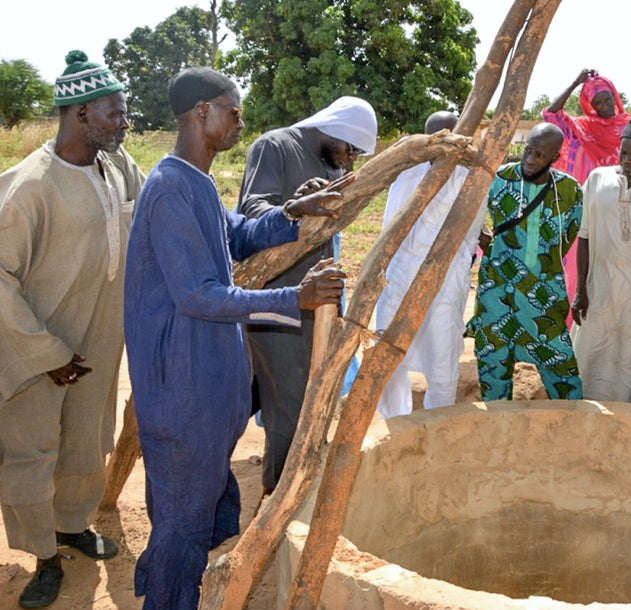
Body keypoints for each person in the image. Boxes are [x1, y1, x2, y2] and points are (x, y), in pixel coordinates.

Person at [124, 67, 348, 609]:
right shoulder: (170, 188)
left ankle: (167, 582)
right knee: (182, 523)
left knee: (190, 514)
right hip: (182, 392)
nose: (239, 121)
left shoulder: (196, 181)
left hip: (205, 389)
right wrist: (294, 298)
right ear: (202, 111)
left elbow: (241, 236)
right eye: (233, 109)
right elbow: (200, 295)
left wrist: (293, 211)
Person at [0, 50, 143, 609]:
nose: (125, 121)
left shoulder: (116, 166)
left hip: (99, 343)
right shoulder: (28, 185)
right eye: (116, 112)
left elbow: (155, 203)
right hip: (37, 350)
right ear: (81, 113)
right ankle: (42, 556)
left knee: (86, 444)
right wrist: (47, 353)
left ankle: (71, 526)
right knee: (33, 453)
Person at [237, 95, 376, 493]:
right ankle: (278, 498)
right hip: (278, 303)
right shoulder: (275, 146)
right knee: (288, 407)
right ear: (337, 130)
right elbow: (252, 211)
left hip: (315, 303)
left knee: (296, 401)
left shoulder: (329, 164)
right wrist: (297, 205)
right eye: (350, 148)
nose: (349, 159)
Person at [375, 111, 483, 418]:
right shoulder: (405, 171)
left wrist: (459, 264)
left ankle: (440, 423)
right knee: (389, 349)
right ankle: (392, 421)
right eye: (438, 136)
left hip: (444, 277)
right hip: (399, 273)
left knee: (442, 350)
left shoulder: (469, 178)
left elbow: (470, 234)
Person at [470, 123, 583, 401]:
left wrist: (537, 259)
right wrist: (486, 239)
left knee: (559, 360)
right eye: (528, 151)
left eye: (540, 156)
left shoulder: (569, 191)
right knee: (493, 358)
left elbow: (568, 236)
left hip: (543, 293)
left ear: (555, 157)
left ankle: (571, 426)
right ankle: (496, 423)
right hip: (498, 291)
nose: (531, 160)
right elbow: (470, 215)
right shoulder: (498, 179)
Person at [570, 115, 631, 403]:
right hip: (600, 283)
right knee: (591, 350)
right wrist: (581, 289)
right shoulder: (598, 178)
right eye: (624, 153)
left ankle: (629, 415)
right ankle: (584, 409)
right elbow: (584, 235)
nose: (628, 160)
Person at [543, 69, 631, 327]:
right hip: (589, 208)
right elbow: (550, 114)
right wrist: (574, 82)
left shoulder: (630, 126)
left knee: (616, 266)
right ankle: (577, 325)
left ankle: (612, 324)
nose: (604, 106)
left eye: (607, 99)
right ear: (588, 105)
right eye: (598, 103)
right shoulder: (582, 128)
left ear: (615, 97)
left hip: (623, 208)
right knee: (581, 265)